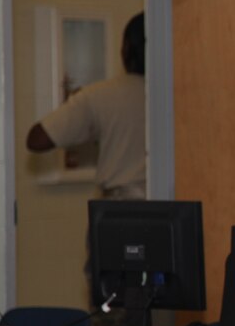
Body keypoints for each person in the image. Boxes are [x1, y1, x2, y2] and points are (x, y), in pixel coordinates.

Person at [26, 12, 147, 200]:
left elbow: (37, 139)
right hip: (176, 207)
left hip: (121, 211)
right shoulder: (185, 97)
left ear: (125, 49)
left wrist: (86, 119)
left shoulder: (101, 95)